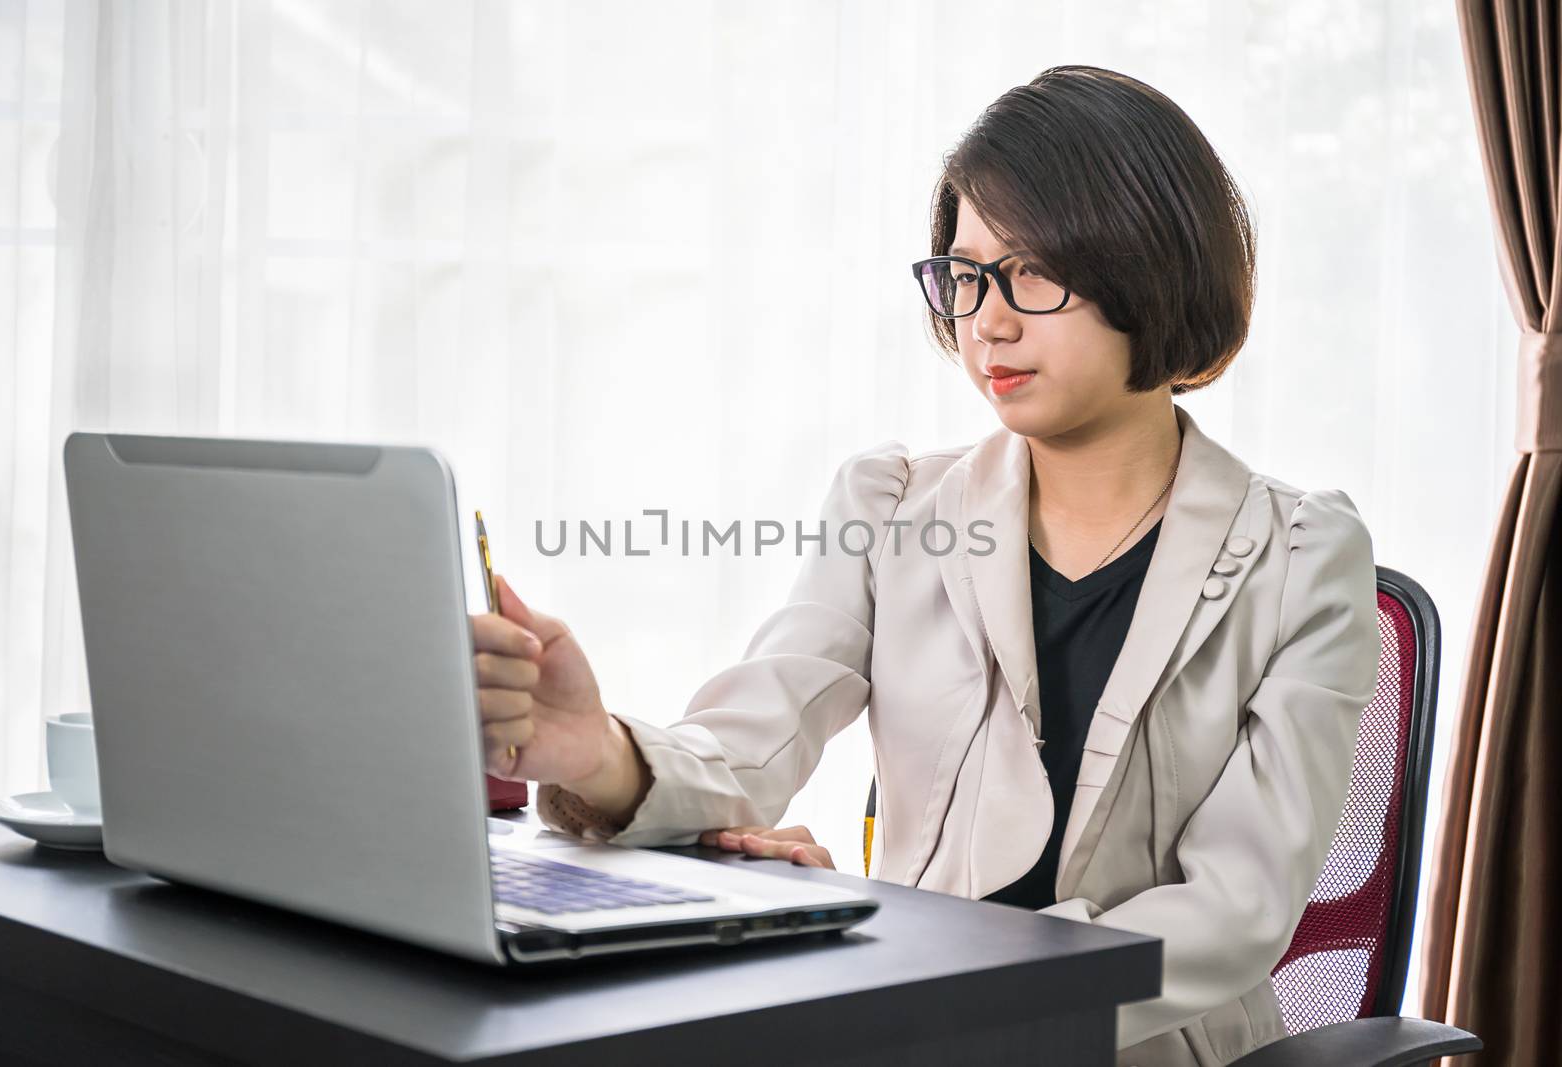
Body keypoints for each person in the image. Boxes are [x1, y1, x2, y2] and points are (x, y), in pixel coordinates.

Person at [467, 65, 1381, 1067]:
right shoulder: (891, 502)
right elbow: (748, 743)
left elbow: (1237, 904)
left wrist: (968, 1003)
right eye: (964, 272)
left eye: (1033, 270)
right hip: (911, 1028)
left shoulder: (1301, 554)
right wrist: (591, 745)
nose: (984, 319)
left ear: (1151, 266)